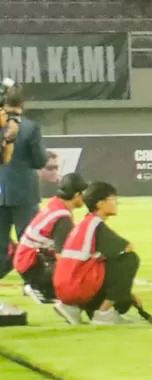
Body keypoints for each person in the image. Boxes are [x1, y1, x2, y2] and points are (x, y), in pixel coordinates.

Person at [50, 181, 140, 325]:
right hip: (76, 286)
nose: (116, 203)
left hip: (65, 286)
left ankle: (72, 307)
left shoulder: (86, 223)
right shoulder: (95, 224)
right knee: (130, 260)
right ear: (100, 204)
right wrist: (124, 290)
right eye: (113, 199)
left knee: (124, 298)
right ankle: (104, 313)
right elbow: (127, 248)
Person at [9, 172, 89, 307]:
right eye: (83, 194)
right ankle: (37, 286)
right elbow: (62, 256)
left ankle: (42, 287)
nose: (85, 197)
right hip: (33, 264)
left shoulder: (55, 205)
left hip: (27, 260)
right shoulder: (62, 218)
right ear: (76, 195)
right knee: (81, 270)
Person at [0, 89, 51, 279]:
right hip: (24, 193)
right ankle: (31, 282)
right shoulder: (31, 128)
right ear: (22, 105)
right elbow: (40, 161)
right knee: (29, 241)